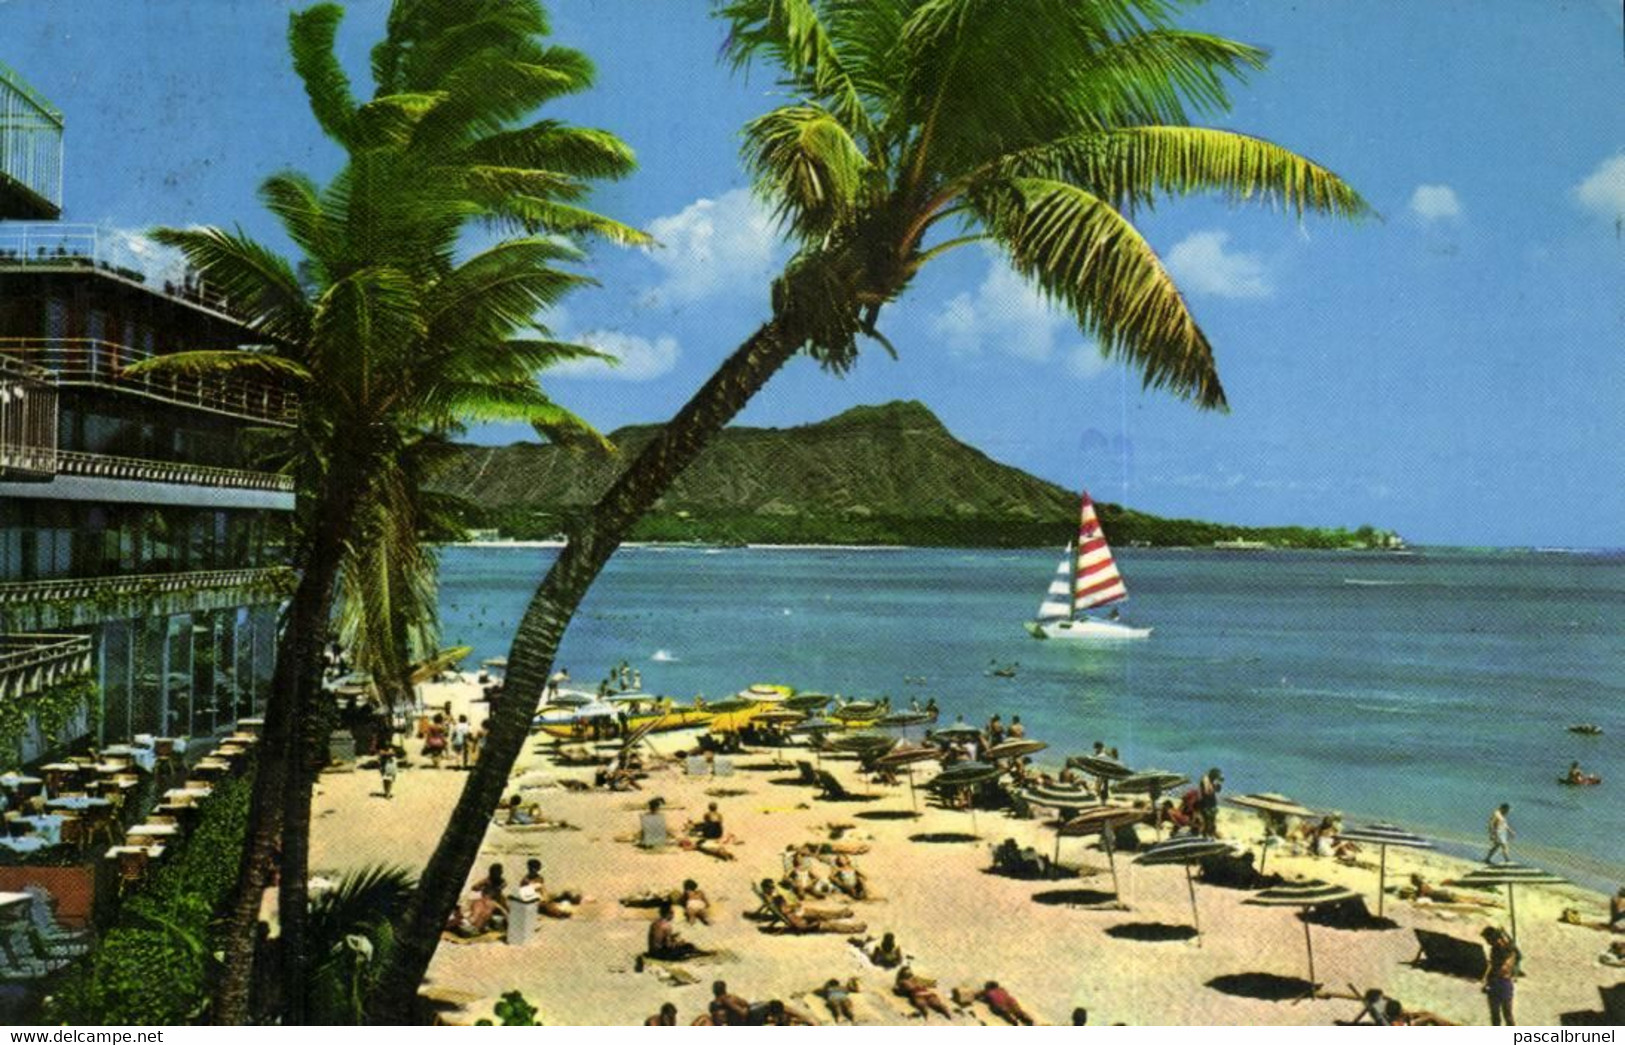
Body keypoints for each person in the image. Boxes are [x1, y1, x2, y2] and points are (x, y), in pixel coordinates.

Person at [1480, 926, 1518, 1026]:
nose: (1487, 942)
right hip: (1496, 983)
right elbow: (1492, 964)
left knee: (1506, 1014)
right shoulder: (1495, 949)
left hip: (1502, 983)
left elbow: (1504, 967)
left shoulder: (1506, 948)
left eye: (1488, 939)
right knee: (1496, 1015)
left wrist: (1489, 980)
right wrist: (1485, 978)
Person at [1198, 767, 1223, 837]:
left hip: (1211, 803)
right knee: (1206, 822)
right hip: (1205, 803)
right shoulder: (1205, 779)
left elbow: (1218, 790)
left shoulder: (1212, 780)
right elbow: (1207, 791)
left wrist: (1218, 784)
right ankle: (1204, 836)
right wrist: (1213, 785)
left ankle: (1210, 835)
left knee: (1212, 821)